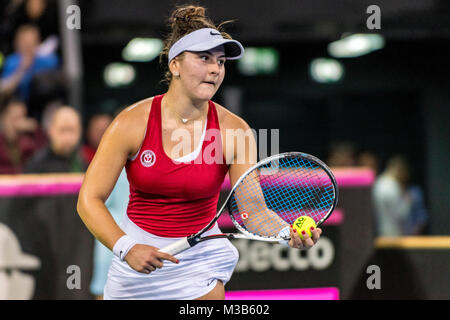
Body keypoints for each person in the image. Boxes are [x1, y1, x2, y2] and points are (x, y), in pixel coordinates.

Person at [77, 4, 322, 300]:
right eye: (204, 58)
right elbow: (89, 199)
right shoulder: (130, 123)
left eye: (220, 61)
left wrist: (286, 233)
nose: (215, 69)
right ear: (175, 65)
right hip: (137, 260)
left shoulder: (236, 130)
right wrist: (126, 247)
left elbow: (253, 209)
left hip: (201, 262)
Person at [0, 24, 59, 103]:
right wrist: (22, 69)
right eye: (25, 42)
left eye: (31, 42)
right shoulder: (11, 62)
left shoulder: (49, 60)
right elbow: (4, 89)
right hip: (18, 103)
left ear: (38, 42)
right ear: (17, 44)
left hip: (44, 102)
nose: (28, 46)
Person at [372, 155, 427, 236]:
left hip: (381, 232)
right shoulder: (392, 185)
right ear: (399, 169)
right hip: (394, 234)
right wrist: (408, 199)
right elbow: (401, 214)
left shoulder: (378, 183)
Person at [24, 105, 85, 173]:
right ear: (51, 131)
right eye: (62, 130)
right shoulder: (36, 165)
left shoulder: (82, 162)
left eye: (71, 130)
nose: (67, 137)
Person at [0, 97, 46, 174]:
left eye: (20, 118)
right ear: (4, 118)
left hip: (24, 182)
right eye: (13, 118)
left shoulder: (27, 142)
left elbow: (43, 156)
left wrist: (36, 130)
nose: (16, 123)